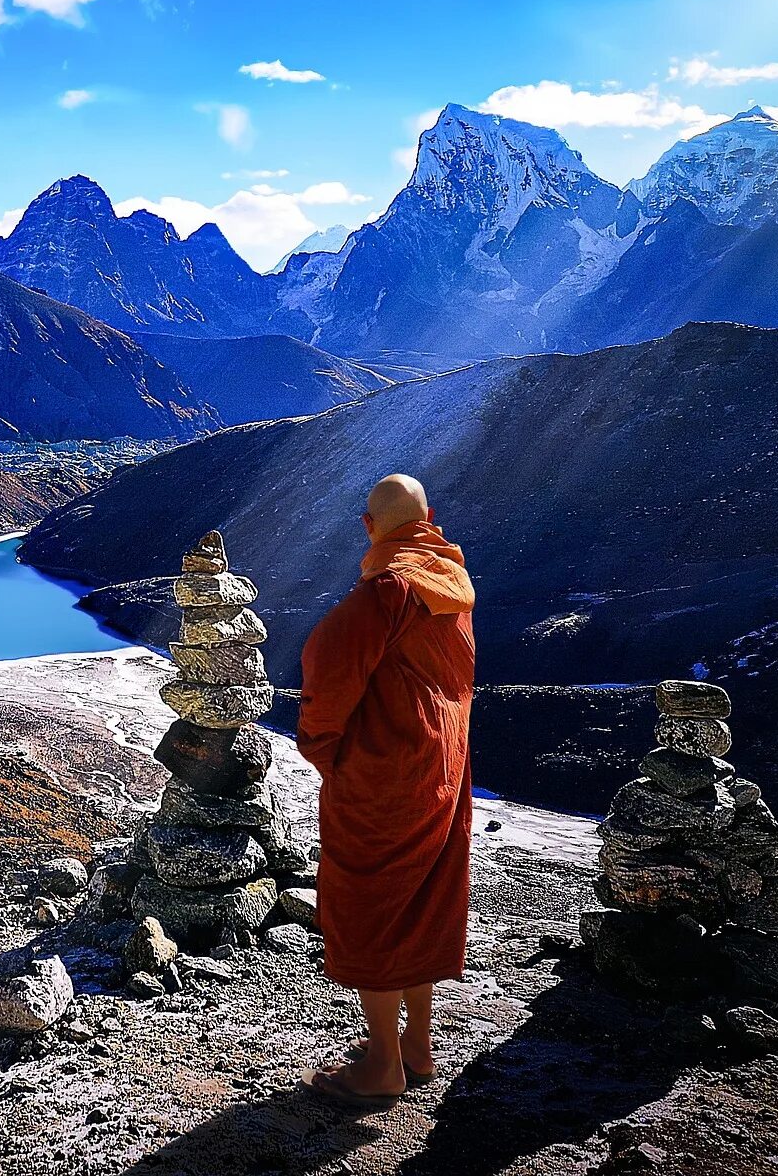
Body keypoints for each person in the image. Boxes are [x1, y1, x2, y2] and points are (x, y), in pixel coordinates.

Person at [296, 473, 476, 1108]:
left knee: (370, 901)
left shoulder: (389, 590)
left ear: (370, 528)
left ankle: (380, 1065)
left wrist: (328, 754)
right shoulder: (449, 580)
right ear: (431, 517)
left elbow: (328, 662)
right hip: (445, 769)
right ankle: (416, 1048)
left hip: (384, 776)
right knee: (422, 897)